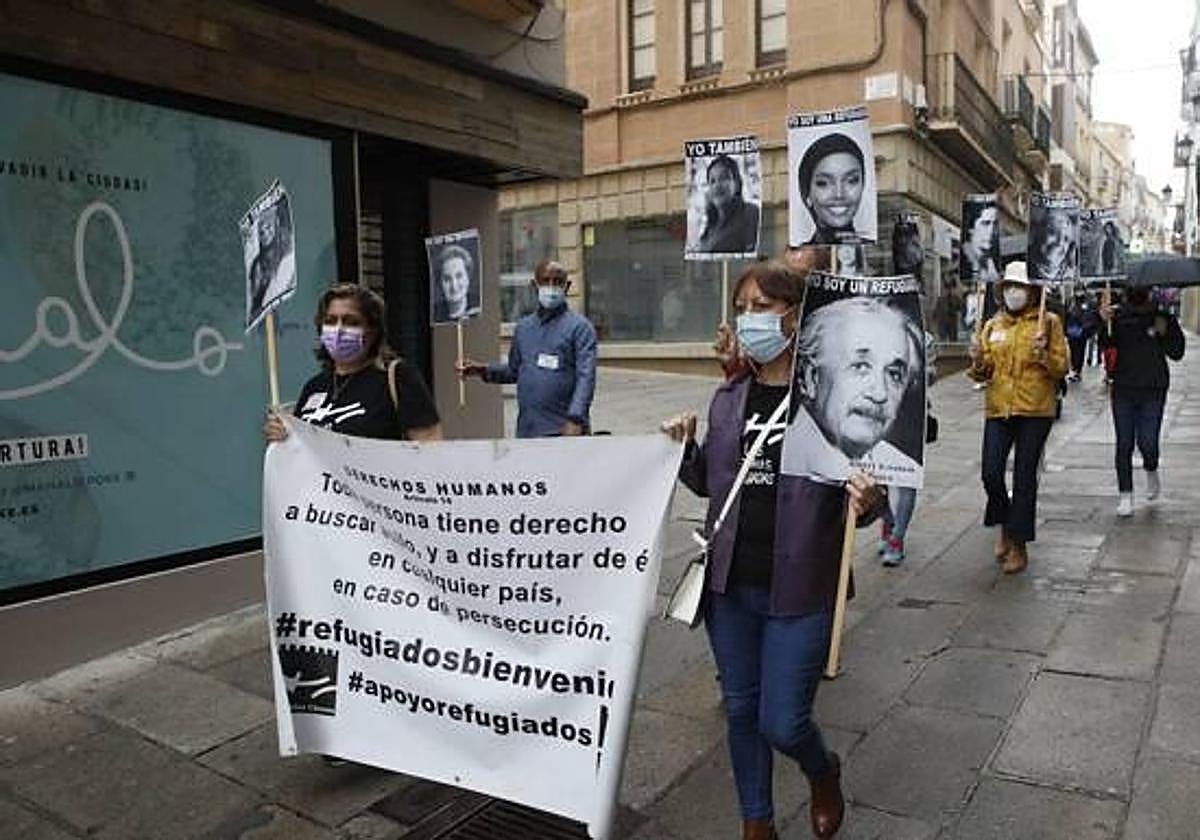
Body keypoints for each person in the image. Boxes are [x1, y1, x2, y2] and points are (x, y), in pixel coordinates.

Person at [660, 260, 886, 840]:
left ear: (794, 315)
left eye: (763, 306)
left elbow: (868, 492)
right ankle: (756, 821)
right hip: (730, 586)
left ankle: (822, 769)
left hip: (802, 586)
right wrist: (684, 450)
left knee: (783, 722)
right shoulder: (729, 396)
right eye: (744, 306)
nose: (749, 317)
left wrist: (871, 499)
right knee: (740, 710)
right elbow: (713, 483)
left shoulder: (832, 400)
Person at [966, 262, 1069, 574]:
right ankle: (1006, 526)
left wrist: (1044, 354)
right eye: (1009, 286)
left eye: (1020, 286)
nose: (1014, 292)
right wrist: (978, 359)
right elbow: (982, 373)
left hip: (1035, 410)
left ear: (1033, 290)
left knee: (1024, 478)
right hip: (999, 408)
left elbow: (1062, 368)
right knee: (991, 473)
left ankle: (1019, 546)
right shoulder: (993, 325)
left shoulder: (1048, 323)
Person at [264, 283, 442, 445]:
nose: (339, 330)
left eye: (351, 322)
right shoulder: (314, 387)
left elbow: (429, 448)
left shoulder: (398, 378)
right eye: (331, 321)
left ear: (372, 331)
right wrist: (284, 437)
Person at [783, 296, 924, 483]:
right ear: (811, 377)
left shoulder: (903, 470)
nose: (880, 394)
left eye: (894, 374)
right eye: (860, 366)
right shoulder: (779, 455)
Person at [458, 259, 597, 437]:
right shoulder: (524, 328)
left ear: (567, 286)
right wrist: (483, 370)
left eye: (558, 282)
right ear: (534, 285)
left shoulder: (580, 328)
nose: (552, 287)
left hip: (564, 431)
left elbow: (586, 378)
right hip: (528, 431)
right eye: (546, 281)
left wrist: (576, 419)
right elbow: (514, 371)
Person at [1098, 286, 1185, 516]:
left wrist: (1165, 333)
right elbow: (1105, 345)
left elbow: (1177, 352)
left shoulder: (1162, 317)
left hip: (1153, 389)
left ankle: (1151, 468)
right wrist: (1103, 322)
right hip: (1124, 388)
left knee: (1148, 442)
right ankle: (1125, 494)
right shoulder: (1118, 317)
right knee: (1124, 443)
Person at [878, 330, 937, 566]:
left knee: (905, 479)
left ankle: (897, 537)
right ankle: (887, 520)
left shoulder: (923, 337)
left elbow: (931, 376)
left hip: (910, 418)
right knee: (877, 476)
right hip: (877, 416)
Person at [796, 133, 866, 245]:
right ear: (807, 194)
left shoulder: (875, 252)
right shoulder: (798, 256)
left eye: (851, 180)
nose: (839, 194)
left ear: (863, 186)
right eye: (823, 183)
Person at [697, 154, 760, 254]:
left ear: (737, 183)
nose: (717, 185)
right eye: (712, 181)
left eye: (724, 178)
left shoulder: (750, 212)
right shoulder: (709, 227)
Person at [248, 200, 294, 319]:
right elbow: (255, 300)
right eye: (261, 232)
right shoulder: (257, 265)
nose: (265, 234)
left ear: (275, 226)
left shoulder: (287, 253)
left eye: (268, 227)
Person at [432, 243, 479, 322]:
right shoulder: (434, 313)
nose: (454, 286)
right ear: (439, 283)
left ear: (468, 277)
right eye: (447, 279)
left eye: (459, 276)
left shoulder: (479, 307)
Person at [1030, 209, 1077, 281]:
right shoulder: (1021, 267)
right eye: (1053, 233)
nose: (1060, 242)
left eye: (1066, 239)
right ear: (1037, 233)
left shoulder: (1072, 276)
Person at [961, 202, 1000, 284]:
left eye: (995, 225)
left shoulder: (992, 265)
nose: (992, 231)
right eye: (986, 223)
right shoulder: (961, 262)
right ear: (971, 229)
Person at [1065, 290, 1098, 382]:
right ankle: (1074, 369)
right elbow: (1066, 314)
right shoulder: (1070, 301)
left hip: (1081, 332)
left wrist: (1085, 328)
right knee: (1072, 351)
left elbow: (1089, 316)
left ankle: (1077, 370)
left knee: (1080, 351)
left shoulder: (1087, 303)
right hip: (1071, 331)